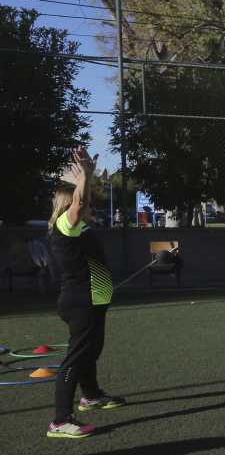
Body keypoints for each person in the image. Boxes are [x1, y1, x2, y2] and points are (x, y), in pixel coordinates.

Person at [45, 147, 125, 439]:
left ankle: (90, 396)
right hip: (81, 303)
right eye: (86, 204)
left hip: (94, 301)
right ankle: (60, 420)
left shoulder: (80, 230)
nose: (91, 207)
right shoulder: (66, 226)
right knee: (76, 359)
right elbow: (78, 203)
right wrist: (86, 176)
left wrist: (88, 180)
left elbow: (81, 203)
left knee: (90, 352)